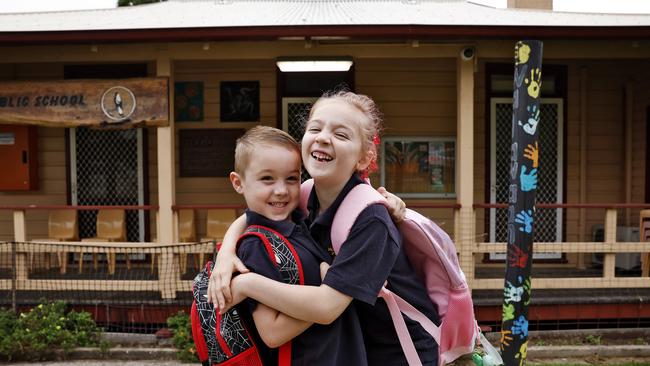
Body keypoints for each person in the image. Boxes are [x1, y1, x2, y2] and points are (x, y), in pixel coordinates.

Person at [210, 91, 440, 366]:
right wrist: (226, 254)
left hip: (401, 352)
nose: (322, 137)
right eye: (315, 128)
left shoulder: (372, 221)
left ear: (364, 159)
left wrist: (247, 284)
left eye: (341, 135)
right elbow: (255, 215)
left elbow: (327, 307)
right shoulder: (305, 195)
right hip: (357, 345)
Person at [225, 125, 367, 365]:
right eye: (267, 179)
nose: (281, 190)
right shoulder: (256, 246)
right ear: (238, 182)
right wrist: (337, 291)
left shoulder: (300, 219)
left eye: (291, 178)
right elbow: (272, 333)